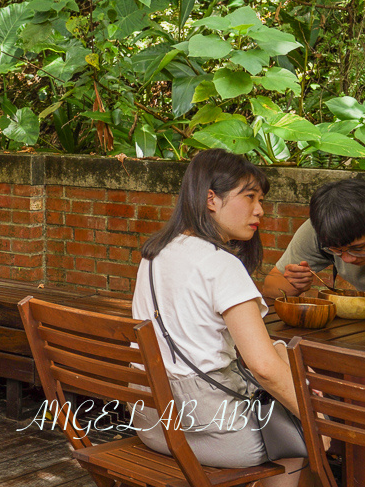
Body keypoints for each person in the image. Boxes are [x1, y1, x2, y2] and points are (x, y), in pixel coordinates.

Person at [131, 148, 310, 486]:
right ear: (211, 199)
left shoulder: (154, 254)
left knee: (281, 354)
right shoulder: (221, 265)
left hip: (153, 422)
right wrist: (319, 422)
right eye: (250, 197)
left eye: (261, 199)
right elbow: (264, 368)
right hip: (211, 433)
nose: (259, 210)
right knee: (299, 440)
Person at [262, 178, 365, 297]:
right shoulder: (319, 229)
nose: (347, 259)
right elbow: (270, 288)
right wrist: (295, 284)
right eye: (336, 250)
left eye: (358, 248)